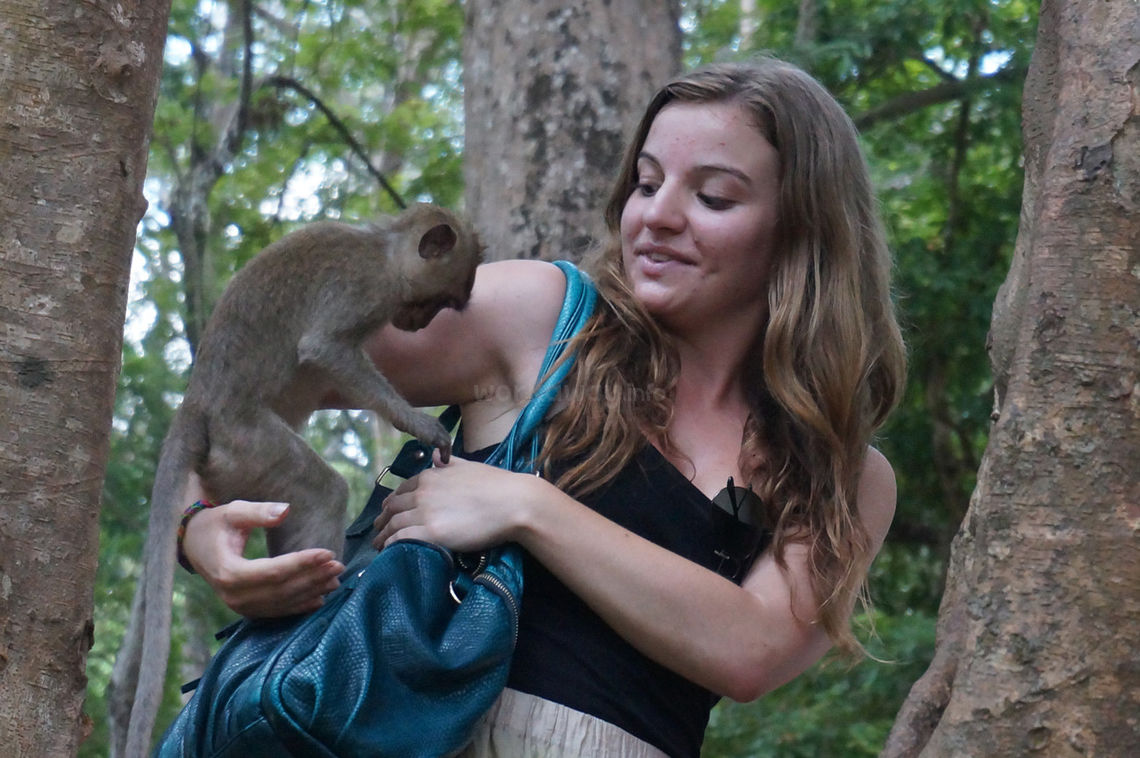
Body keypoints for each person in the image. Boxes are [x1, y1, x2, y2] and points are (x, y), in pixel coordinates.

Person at [179, 58, 906, 757]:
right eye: (645, 184)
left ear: (802, 229)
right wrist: (196, 524)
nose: (657, 216)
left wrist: (530, 507)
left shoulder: (842, 470)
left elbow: (751, 651)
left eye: (713, 196)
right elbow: (240, 373)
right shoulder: (541, 319)